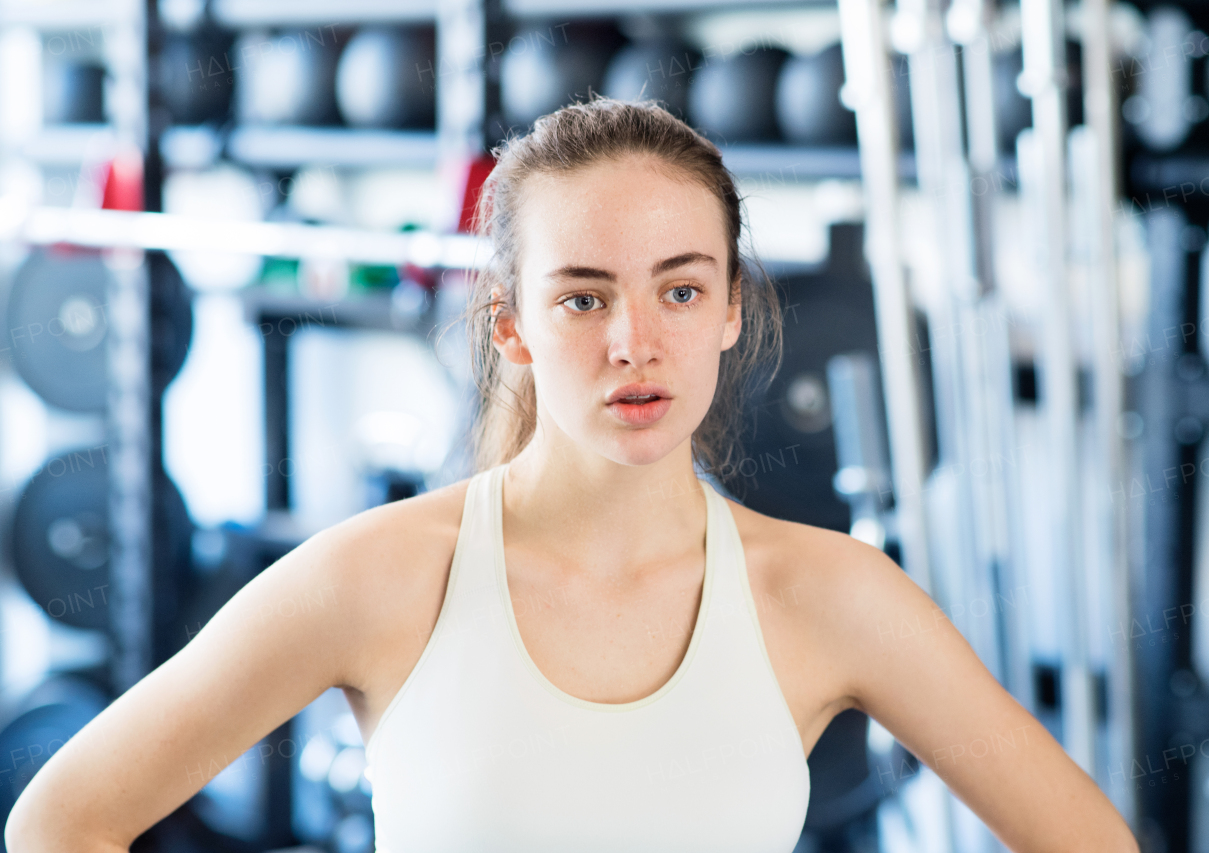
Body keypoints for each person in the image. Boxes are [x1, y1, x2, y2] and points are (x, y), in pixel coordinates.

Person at [6, 98, 1138, 853]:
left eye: (681, 290)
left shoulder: (827, 595)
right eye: (582, 296)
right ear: (510, 327)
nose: (633, 341)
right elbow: (62, 819)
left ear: (732, 308)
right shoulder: (384, 576)